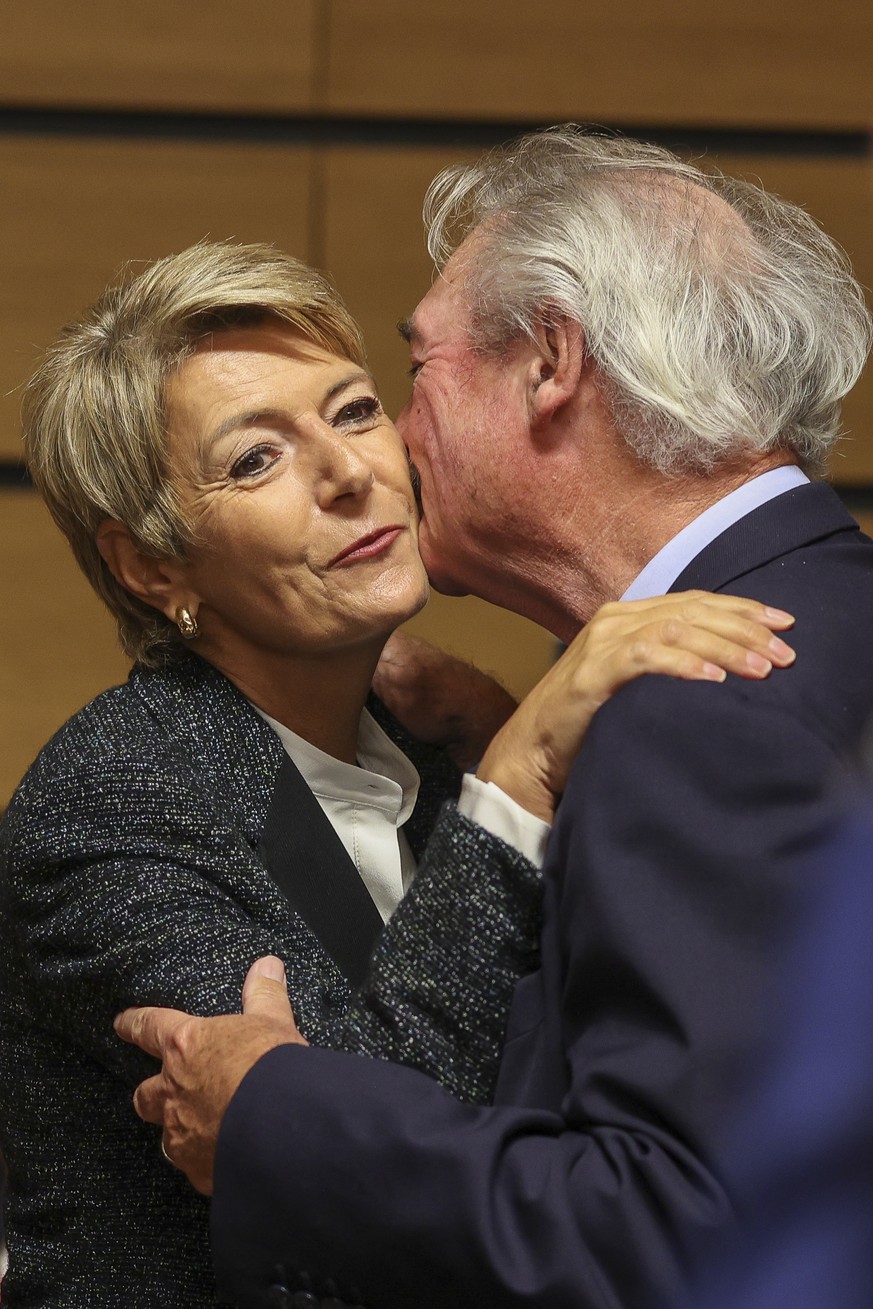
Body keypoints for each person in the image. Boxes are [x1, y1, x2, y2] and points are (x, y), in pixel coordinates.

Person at [116, 127, 873, 1309]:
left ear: (551, 362)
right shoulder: (824, 609)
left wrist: (276, 1110)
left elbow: (679, 1240)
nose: (388, 457)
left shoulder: (698, 708)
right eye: (261, 453)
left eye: (401, 385)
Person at [0, 240, 781, 1309]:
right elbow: (351, 1161)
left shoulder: (421, 738)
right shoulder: (117, 802)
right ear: (152, 565)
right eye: (255, 459)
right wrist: (518, 774)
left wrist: (492, 741)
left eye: (356, 409)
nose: (349, 472)